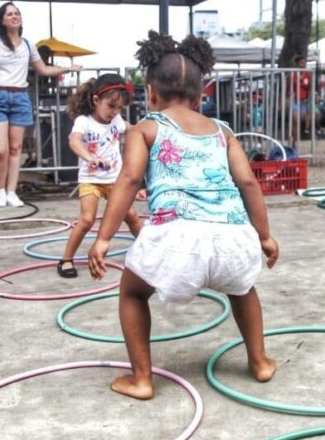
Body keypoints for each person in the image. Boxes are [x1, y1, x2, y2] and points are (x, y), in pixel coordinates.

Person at [88, 30, 279, 400]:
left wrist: (104, 237)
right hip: (233, 238)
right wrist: (265, 236)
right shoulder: (223, 132)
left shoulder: (145, 129)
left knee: (131, 293)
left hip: (175, 241)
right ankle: (259, 361)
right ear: (202, 94)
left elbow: (128, 179)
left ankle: (142, 379)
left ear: (151, 92)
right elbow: (249, 183)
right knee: (243, 290)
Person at [0, 2, 82, 208]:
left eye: (17, 13)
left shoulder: (27, 44)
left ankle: (12, 191)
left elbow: (42, 69)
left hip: (20, 97)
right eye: (10, 14)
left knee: (16, 148)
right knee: (0, 150)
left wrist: (69, 69)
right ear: (2, 19)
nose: (14, 16)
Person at [56, 75, 143, 278]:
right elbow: (74, 142)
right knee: (87, 220)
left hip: (115, 180)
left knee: (131, 216)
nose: (115, 112)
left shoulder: (116, 120)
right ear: (96, 100)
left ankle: (150, 252)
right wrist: (90, 158)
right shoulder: (83, 122)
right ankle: (66, 259)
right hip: (91, 180)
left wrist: (147, 129)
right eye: (111, 106)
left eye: (119, 108)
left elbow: (132, 129)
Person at [289, 55, 311, 147]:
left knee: (308, 113)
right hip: (295, 100)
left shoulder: (308, 74)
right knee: (296, 122)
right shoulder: (293, 74)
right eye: (302, 62)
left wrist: (309, 97)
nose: (304, 64)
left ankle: (306, 129)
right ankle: (295, 142)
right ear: (298, 64)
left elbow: (310, 87)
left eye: (305, 62)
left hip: (304, 100)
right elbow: (289, 86)